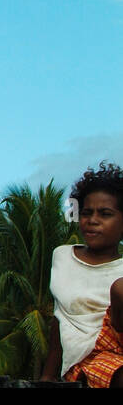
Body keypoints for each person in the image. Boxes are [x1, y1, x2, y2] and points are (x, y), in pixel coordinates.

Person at [42, 162, 123, 387]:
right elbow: (60, 319)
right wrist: (47, 377)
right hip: (90, 357)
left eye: (105, 214)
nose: (93, 220)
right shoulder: (62, 256)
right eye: (87, 213)